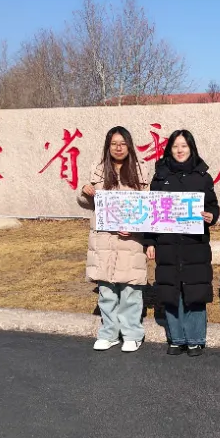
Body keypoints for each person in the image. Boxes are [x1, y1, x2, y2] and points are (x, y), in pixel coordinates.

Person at [145, 130, 220, 357]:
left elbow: (213, 206)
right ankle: (176, 338)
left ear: (191, 148)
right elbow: (151, 211)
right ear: (169, 149)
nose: (180, 150)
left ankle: (195, 339)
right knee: (171, 290)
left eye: (184, 146)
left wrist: (211, 216)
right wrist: (150, 242)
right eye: (175, 146)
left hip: (194, 243)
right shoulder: (160, 177)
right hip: (167, 243)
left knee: (195, 290)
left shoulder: (202, 176)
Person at [77, 126, 151, 353]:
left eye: (122, 143)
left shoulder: (141, 171)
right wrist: (84, 192)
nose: (118, 148)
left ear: (129, 146)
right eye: (114, 144)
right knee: (106, 290)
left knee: (130, 290)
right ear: (108, 147)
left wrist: (136, 227)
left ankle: (132, 334)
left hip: (131, 240)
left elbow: (149, 206)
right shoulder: (98, 170)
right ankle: (108, 333)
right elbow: (86, 203)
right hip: (103, 239)